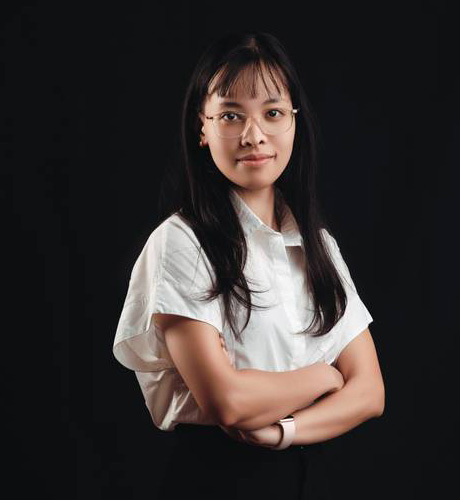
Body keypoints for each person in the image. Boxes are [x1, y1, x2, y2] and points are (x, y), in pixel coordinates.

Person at [112, 31, 385, 500]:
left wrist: (285, 430)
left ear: (294, 122)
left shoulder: (317, 245)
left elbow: (370, 394)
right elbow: (228, 402)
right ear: (203, 126)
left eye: (273, 113)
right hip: (219, 480)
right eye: (231, 115)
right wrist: (324, 376)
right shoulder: (181, 242)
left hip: (311, 472)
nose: (254, 135)